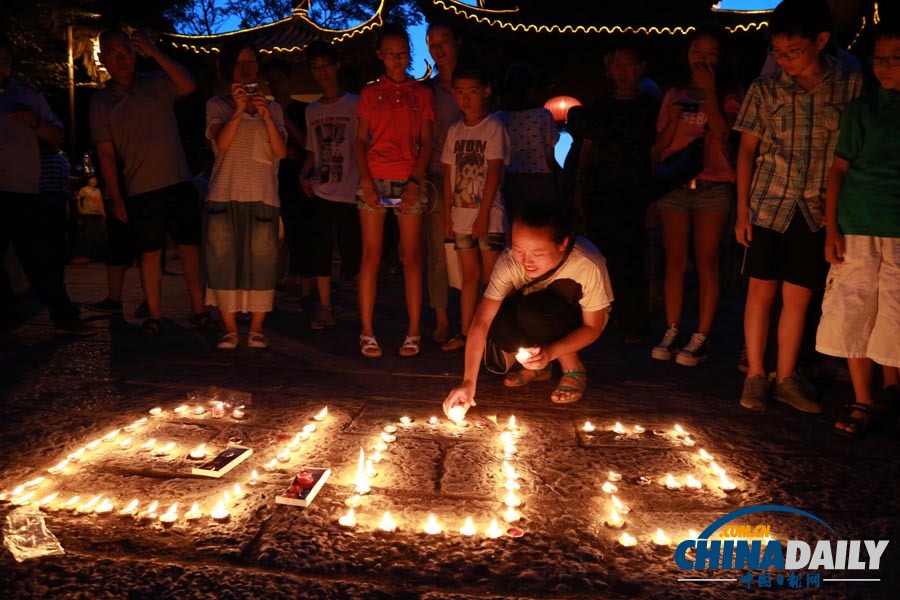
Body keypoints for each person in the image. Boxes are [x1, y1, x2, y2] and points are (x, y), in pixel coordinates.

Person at [733, 0, 862, 413]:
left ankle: (786, 376)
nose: (785, 60)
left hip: (817, 208)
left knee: (799, 296)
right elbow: (746, 152)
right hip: (768, 204)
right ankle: (756, 374)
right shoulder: (766, 88)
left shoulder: (849, 84)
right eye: (778, 52)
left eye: (794, 51)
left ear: (821, 41)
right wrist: (741, 211)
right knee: (760, 292)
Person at [443, 199, 613, 416]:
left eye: (538, 254)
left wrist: (550, 351)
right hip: (533, 313)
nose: (526, 261)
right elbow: (482, 320)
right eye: (518, 249)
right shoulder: (509, 262)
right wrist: (468, 382)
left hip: (573, 320)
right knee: (500, 321)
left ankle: (573, 368)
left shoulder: (587, 263)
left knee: (534, 311)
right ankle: (538, 367)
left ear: (562, 243)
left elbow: (593, 328)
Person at [90, 30, 208, 336]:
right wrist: (115, 195)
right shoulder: (101, 102)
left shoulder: (156, 81)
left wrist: (154, 51)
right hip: (140, 187)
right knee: (149, 253)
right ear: (103, 59)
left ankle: (199, 310)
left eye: (126, 51)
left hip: (178, 180)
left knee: (190, 248)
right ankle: (154, 314)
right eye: (113, 53)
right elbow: (105, 152)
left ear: (135, 53)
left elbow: (188, 85)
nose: (121, 58)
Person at [815, 22, 900, 437]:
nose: (885, 67)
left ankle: (891, 392)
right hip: (858, 222)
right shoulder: (863, 109)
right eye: (879, 59)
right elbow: (839, 169)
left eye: (894, 59)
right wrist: (832, 226)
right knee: (853, 308)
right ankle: (863, 398)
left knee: (895, 314)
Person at [649, 25, 743, 366]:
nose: (702, 59)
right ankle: (672, 329)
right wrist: (672, 123)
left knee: (706, 260)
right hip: (676, 187)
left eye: (711, 53)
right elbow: (658, 147)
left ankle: (701, 336)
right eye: (696, 52)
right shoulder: (673, 92)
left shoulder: (730, 94)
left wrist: (710, 93)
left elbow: (723, 132)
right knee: (674, 261)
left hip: (713, 186)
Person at [0, 35, 92, 336]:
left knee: (39, 259)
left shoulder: (28, 98)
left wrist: (33, 124)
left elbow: (57, 136)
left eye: (5, 59)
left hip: (22, 192)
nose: (1, 65)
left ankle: (64, 316)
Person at [355, 24, 434, 358]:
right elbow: (360, 140)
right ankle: (367, 332)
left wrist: (415, 181)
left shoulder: (421, 93)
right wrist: (366, 181)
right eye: (390, 53)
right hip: (375, 177)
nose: (397, 58)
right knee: (371, 256)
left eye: (402, 52)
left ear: (409, 53)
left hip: (408, 178)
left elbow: (428, 140)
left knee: (411, 257)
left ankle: (413, 330)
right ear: (380, 55)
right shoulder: (370, 94)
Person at [575, 46, 660, 344]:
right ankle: (602, 319)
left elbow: (655, 152)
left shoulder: (651, 106)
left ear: (640, 67)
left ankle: (633, 322)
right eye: (617, 65)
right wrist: (580, 190)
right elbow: (588, 150)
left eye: (629, 64)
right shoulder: (600, 108)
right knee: (601, 257)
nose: (622, 70)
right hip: (602, 189)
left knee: (633, 258)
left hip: (635, 189)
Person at [205, 41, 286, 350]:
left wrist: (264, 115)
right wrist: (239, 109)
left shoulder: (273, 107)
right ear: (228, 69)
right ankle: (229, 329)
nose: (246, 68)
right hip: (224, 191)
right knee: (223, 259)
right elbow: (221, 142)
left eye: (251, 62)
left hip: (263, 193)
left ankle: (256, 328)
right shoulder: (217, 104)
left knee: (262, 261)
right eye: (239, 63)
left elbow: (281, 150)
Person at [440, 63, 510, 352]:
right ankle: (467, 332)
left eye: (472, 91)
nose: (466, 98)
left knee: (492, 278)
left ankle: (495, 335)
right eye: (460, 92)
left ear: (485, 92)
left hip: (488, 215)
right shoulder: (455, 130)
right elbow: (448, 174)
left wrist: (483, 214)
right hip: (461, 214)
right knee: (468, 277)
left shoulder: (493, 127)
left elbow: (494, 171)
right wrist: (448, 214)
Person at [299, 41, 362, 330]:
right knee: (320, 249)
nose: (321, 73)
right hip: (322, 188)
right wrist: (303, 174)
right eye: (315, 68)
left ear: (337, 66)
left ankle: (365, 307)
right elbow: (313, 149)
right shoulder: (312, 110)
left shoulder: (355, 104)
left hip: (351, 190)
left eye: (325, 66)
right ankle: (325, 306)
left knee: (354, 252)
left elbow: (364, 144)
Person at [425, 21, 464, 344]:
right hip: (437, 174)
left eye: (444, 41)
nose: (438, 49)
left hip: (470, 175)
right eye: (432, 43)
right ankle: (441, 316)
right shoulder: (428, 91)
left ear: (457, 43)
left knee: (470, 248)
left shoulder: (473, 84)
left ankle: (470, 317)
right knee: (438, 250)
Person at [261, 58, 308, 294]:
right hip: (273, 175)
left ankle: (296, 274)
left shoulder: (302, 110)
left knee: (296, 227)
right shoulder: (264, 111)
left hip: (296, 175)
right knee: (274, 229)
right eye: (270, 82)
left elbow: (307, 144)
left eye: (278, 81)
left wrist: (285, 120)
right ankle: (280, 272)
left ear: (288, 80)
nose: (274, 86)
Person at [495, 64, 559, 222]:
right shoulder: (543, 116)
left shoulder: (498, 119)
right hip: (540, 182)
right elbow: (550, 158)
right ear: (533, 89)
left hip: (509, 182)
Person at [74, 176, 106, 263]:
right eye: (92, 180)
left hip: (98, 214)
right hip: (88, 214)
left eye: (95, 180)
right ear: (89, 181)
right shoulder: (84, 189)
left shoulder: (98, 190)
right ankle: (88, 256)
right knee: (89, 234)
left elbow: (101, 202)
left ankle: (97, 255)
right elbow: (78, 198)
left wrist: (104, 214)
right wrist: (80, 209)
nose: (94, 181)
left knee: (100, 233)